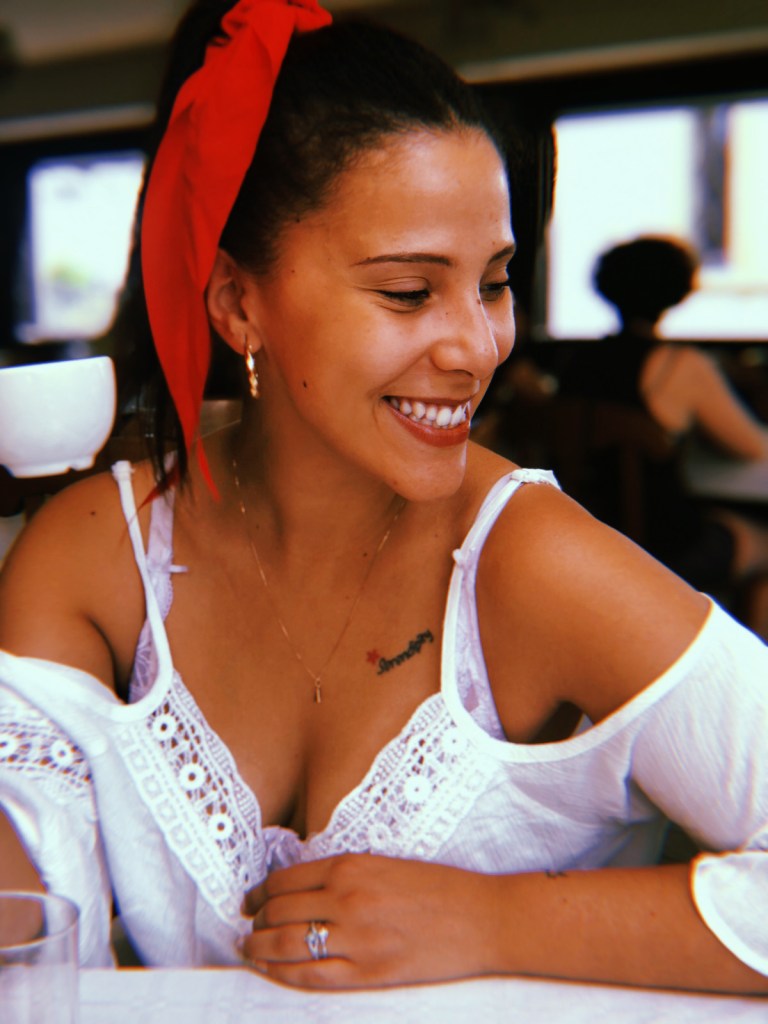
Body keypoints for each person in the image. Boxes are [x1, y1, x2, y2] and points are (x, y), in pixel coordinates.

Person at [1, 0, 767, 995]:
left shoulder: (530, 564)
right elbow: (28, 941)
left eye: (494, 283)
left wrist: (496, 919)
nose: (479, 347)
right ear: (237, 302)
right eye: (409, 292)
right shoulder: (103, 550)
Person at [561, 235, 768, 636]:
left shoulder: (576, 362)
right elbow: (751, 446)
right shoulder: (678, 364)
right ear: (679, 291)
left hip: (588, 542)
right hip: (665, 550)